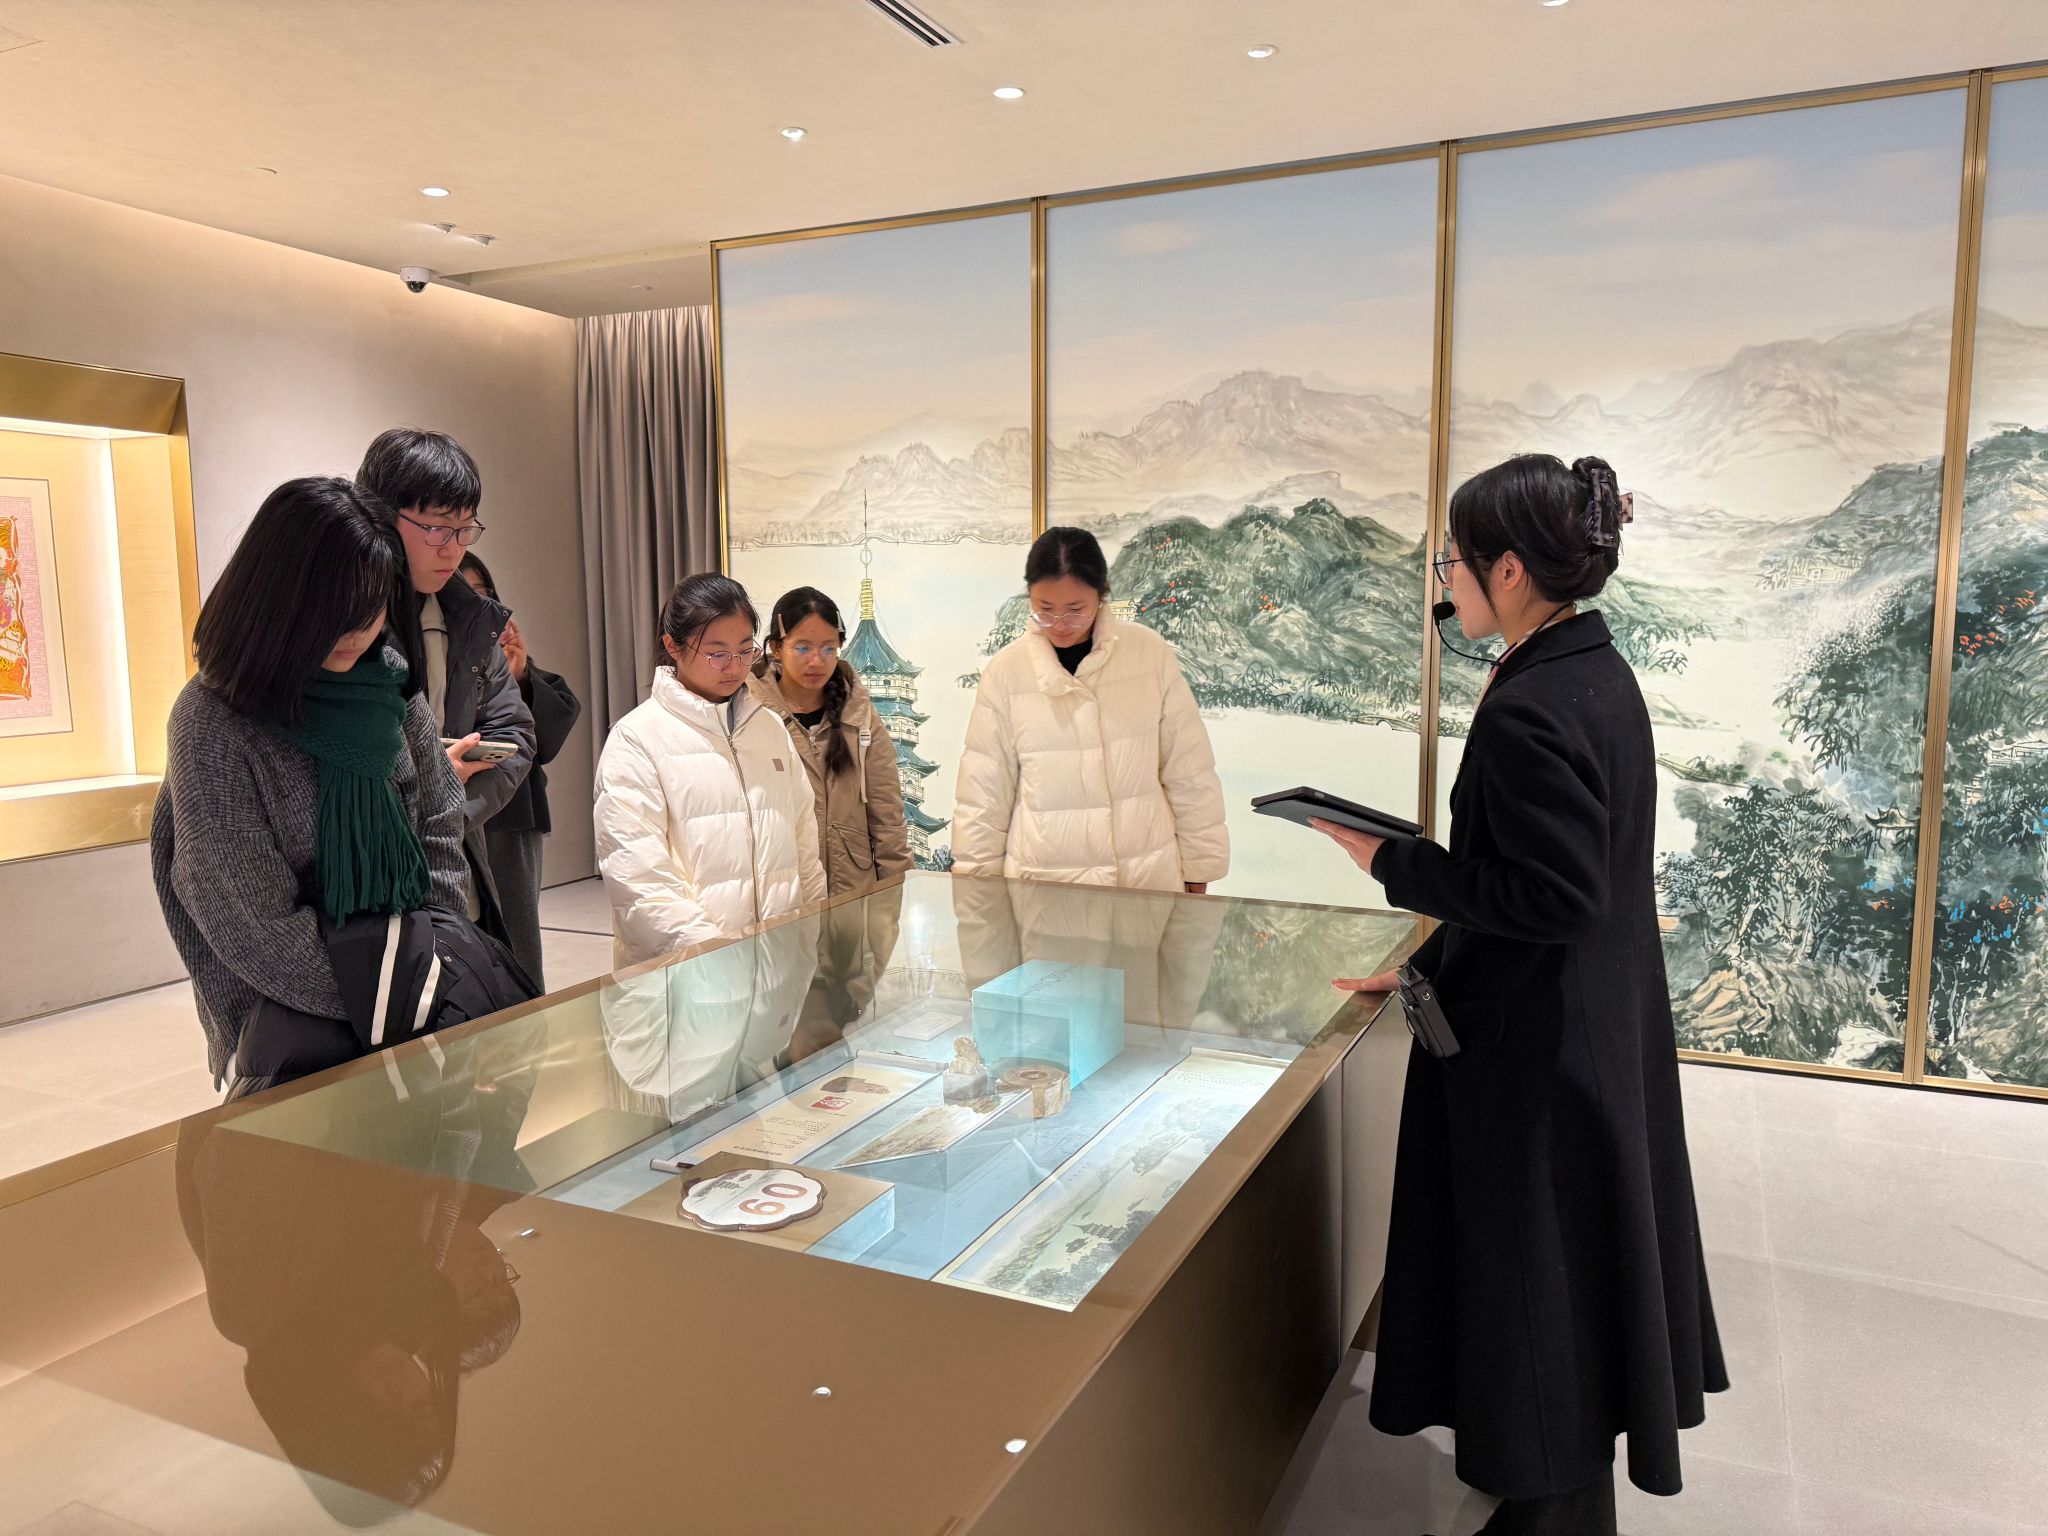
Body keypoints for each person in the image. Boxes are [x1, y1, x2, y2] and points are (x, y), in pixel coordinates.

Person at [1317, 455, 1725, 1535]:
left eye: (1450, 561)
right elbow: (1551, 879)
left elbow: (1554, 893)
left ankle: (1552, 1505)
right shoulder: (1593, 668)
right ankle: (1554, 1493)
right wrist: (1427, 965)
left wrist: (1390, 862)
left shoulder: (1530, 702)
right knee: (1562, 1282)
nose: (1443, 580)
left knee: (1534, 1282)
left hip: (1538, 1054)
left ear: (1507, 570)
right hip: (1590, 1025)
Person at [151, 477, 469, 1089]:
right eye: (335, 611)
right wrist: (389, 996)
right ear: (277, 600)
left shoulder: (387, 680)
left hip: (420, 991)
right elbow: (249, 920)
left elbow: (438, 825)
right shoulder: (214, 721)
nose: (358, 630)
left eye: (372, 607)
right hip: (295, 1022)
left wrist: (431, 967)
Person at [952, 525, 1228, 893]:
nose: (1060, 625)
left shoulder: (1148, 654)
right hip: (1044, 887)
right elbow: (984, 794)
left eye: (1075, 610)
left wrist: (1199, 867)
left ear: (1101, 595)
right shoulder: (1006, 672)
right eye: (1044, 609)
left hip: (1144, 881)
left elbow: (1188, 770)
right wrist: (977, 889)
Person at [593, 573, 827, 968]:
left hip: (780, 965)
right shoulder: (637, 739)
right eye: (717, 654)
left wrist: (811, 934)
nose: (735, 667)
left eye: (745, 651)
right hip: (687, 973)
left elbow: (804, 845)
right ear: (673, 646)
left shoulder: (769, 729)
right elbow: (639, 879)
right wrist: (715, 959)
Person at [356, 428, 535, 943]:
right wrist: (433, 786)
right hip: (365, 888)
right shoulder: (343, 629)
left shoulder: (467, 618)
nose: (454, 549)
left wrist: (445, 805)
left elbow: (516, 735)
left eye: (465, 529)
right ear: (378, 517)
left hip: (454, 875)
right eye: (437, 528)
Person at [456, 551, 583, 989]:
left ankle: (526, 1011)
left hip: (511, 815)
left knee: (518, 932)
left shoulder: (502, 655)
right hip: (454, 809)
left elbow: (543, 741)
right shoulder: (428, 656)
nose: (471, 602)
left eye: (481, 592)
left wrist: (521, 676)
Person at [747, 586, 910, 895]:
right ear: (777, 648)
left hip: (853, 893)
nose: (817, 661)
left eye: (828, 648)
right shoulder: (751, 713)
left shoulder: (860, 715)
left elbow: (887, 817)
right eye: (803, 648)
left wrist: (895, 896)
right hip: (781, 890)